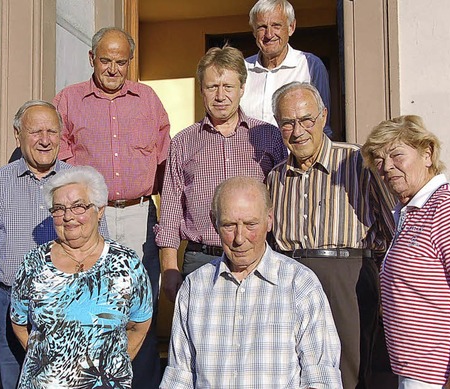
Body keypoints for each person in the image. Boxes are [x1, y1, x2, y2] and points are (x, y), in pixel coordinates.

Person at [53, 26, 170, 387]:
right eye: (106, 60)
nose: (114, 69)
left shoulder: (148, 98)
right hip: (91, 216)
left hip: (139, 212)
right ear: (92, 59)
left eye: (121, 62)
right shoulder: (69, 100)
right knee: (92, 304)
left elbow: (165, 159)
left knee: (140, 307)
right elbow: (61, 160)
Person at [0, 100, 106, 388]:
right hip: (8, 304)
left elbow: (102, 250)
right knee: (14, 382)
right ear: (18, 135)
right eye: (35, 132)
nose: (45, 140)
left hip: (70, 305)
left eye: (52, 132)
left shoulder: (81, 183)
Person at [267, 81, 396, 388]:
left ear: (323, 117)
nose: (298, 131)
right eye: (288, 123)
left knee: (350, 369)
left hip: (347, 279)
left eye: (306, 120)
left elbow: (393, 230)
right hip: (290, 278)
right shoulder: (275, 177)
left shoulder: (357, 161)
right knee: (296, 366)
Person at [160, 176, 341, 388]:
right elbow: (179, 377)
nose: (239, 237)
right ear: (214, 222)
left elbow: (321, 378)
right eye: (229, 225)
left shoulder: (300, 284)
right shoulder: (194, 288)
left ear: (269, 220)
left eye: (250, 224)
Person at [155, 45, 288, 302]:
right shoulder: (183, 142)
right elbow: (170, 211)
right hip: (201, 261)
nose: (220, 95)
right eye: (212, 86)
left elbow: (283, 200)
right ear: (201, 90)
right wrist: (169, 268)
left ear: (242, 88)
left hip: (258, 258)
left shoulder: (268, 137)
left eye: (228, 86)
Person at [11, 165, 153, 388]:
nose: (68, 216)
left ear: (100, 210)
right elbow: (19, 324)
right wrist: (49, 363)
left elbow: (139, 325)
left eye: (79, 207)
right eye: (58, 209)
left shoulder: (127, 263)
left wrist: (112, 367)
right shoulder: (33, 263)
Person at [362, 115, 450, 389]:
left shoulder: (448, 208)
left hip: (440, 376)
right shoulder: (410, 211)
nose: (387, 167)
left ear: (427, 153)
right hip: (416, 373)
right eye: (378, 160)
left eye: (396, 155)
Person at [240, 0, 332, 136]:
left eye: (276, 25)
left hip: (295, 156)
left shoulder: (310, 66)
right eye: (262, 27)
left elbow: (323, 126)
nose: (269, 34)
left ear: (291, 27)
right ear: (254, 31)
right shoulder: (243, 69)